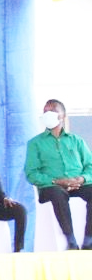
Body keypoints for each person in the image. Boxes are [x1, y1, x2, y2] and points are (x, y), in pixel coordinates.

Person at [24, 99, 92, 250]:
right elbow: (31, 173)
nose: (48, 114)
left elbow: (90, 165)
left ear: (63, 116)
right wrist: (57, 181)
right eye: (45, 111)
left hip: (78, 185)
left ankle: (89, 241)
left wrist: (82, 179)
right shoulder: (35, 143)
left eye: (53, 111)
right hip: (51, 187)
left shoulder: (76, 141)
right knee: (57, 193)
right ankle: (71, 240)